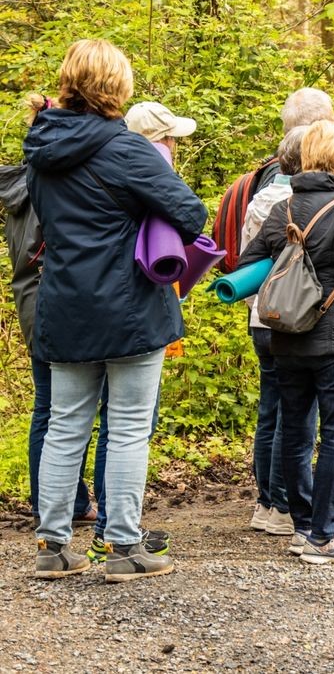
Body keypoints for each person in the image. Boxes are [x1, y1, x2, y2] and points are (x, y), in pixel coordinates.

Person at [24, 39, 207, 581]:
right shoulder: (125, 148)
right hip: (128, 306)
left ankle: (53, 547)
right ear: (116, 87)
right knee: (126, 427)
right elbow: (191, 213)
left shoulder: (40, 147)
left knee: (64, 425)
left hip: (62, 299)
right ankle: (124, 547)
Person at [239, 120, 334, 564]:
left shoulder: (281, 210)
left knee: (296, 430)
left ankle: (302, 527)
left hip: (286, 336)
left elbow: (249, 264)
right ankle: (326, 535)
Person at [1, 94, 95, 530]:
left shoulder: (20, 185)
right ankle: (63, 505)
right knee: (64, 412)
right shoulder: (47, 186)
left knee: (49, 408)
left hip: (29, 302)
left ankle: (55, 502)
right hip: (52, 302)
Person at [241, 126, 314, 536]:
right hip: (295, 317)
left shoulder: (258, 199)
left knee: (270, 410)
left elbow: (245, 257)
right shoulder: (296, 204)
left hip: (260, 315)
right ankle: (284, 504)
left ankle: (266, 501)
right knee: (295, 413)